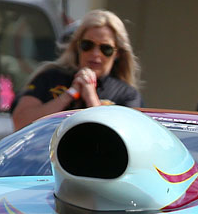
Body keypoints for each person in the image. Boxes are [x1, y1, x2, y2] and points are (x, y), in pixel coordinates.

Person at [11, 9, 141, 130]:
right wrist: (70, 94)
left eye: (106, 49)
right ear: (77, 46)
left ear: (117, 53)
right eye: (87, 45)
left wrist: (90, 97)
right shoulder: (50, 77)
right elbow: (20, 123)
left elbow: (118, 136)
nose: (95, 54)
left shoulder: (127, 94)